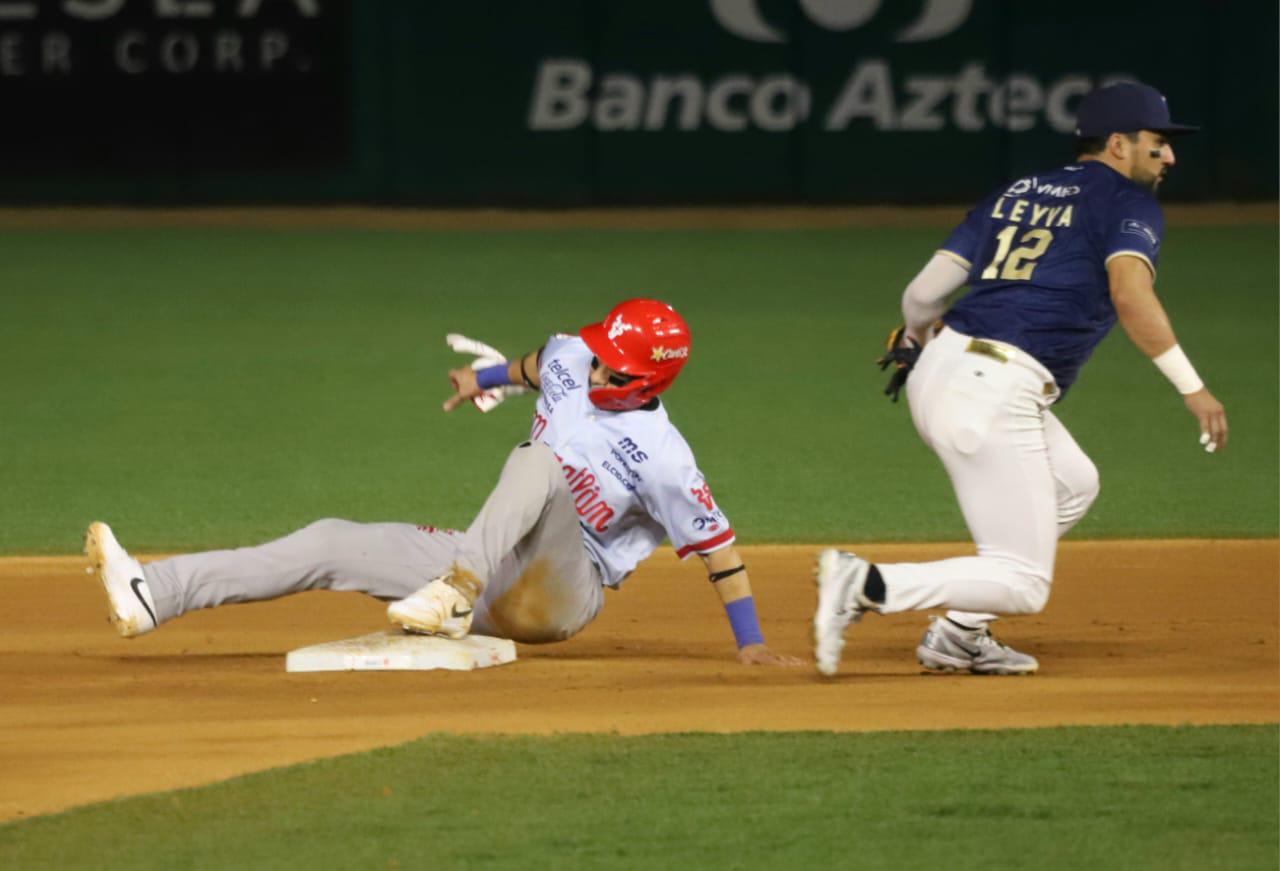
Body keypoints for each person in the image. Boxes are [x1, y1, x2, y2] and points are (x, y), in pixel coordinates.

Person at [86, 298, 801, 668]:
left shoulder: (663, 456)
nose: (596, 367)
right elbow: (538, 364)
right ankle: (157, 593)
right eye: (601, 352)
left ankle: (455, 590)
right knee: (332, 539)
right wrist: (483, 377)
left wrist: (749, 639)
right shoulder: (577, 353)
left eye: (615, 366)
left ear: (649, 378)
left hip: (560, 594)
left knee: (538, 462)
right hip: (487, 562)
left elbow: (721, 549)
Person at [813, 81, 1229, 677]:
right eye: (1157, 143)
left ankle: (957, 635)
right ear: (1118, 143)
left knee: (1073, 483)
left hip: (947, 369)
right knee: (1026, 585)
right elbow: (1130, 295)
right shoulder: (1126, 202)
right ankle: (868, 583)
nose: (1170, 157)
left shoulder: (1017, 190)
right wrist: (1192, 387)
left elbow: (922, 294)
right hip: (995, 389)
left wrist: (914, 339)